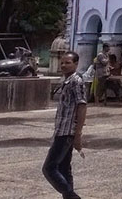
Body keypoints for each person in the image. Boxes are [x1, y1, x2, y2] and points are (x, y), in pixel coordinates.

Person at [43, 51, 87, 199]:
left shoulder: (76, 81)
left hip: (67, 131)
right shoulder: (66, 81)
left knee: (49, 168)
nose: (64, 65)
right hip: (61, 129)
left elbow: (82, 106)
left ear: (75, 64)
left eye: (68, 63)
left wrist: (78, 134)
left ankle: (72, 197)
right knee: (63, 167)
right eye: (62, 62)